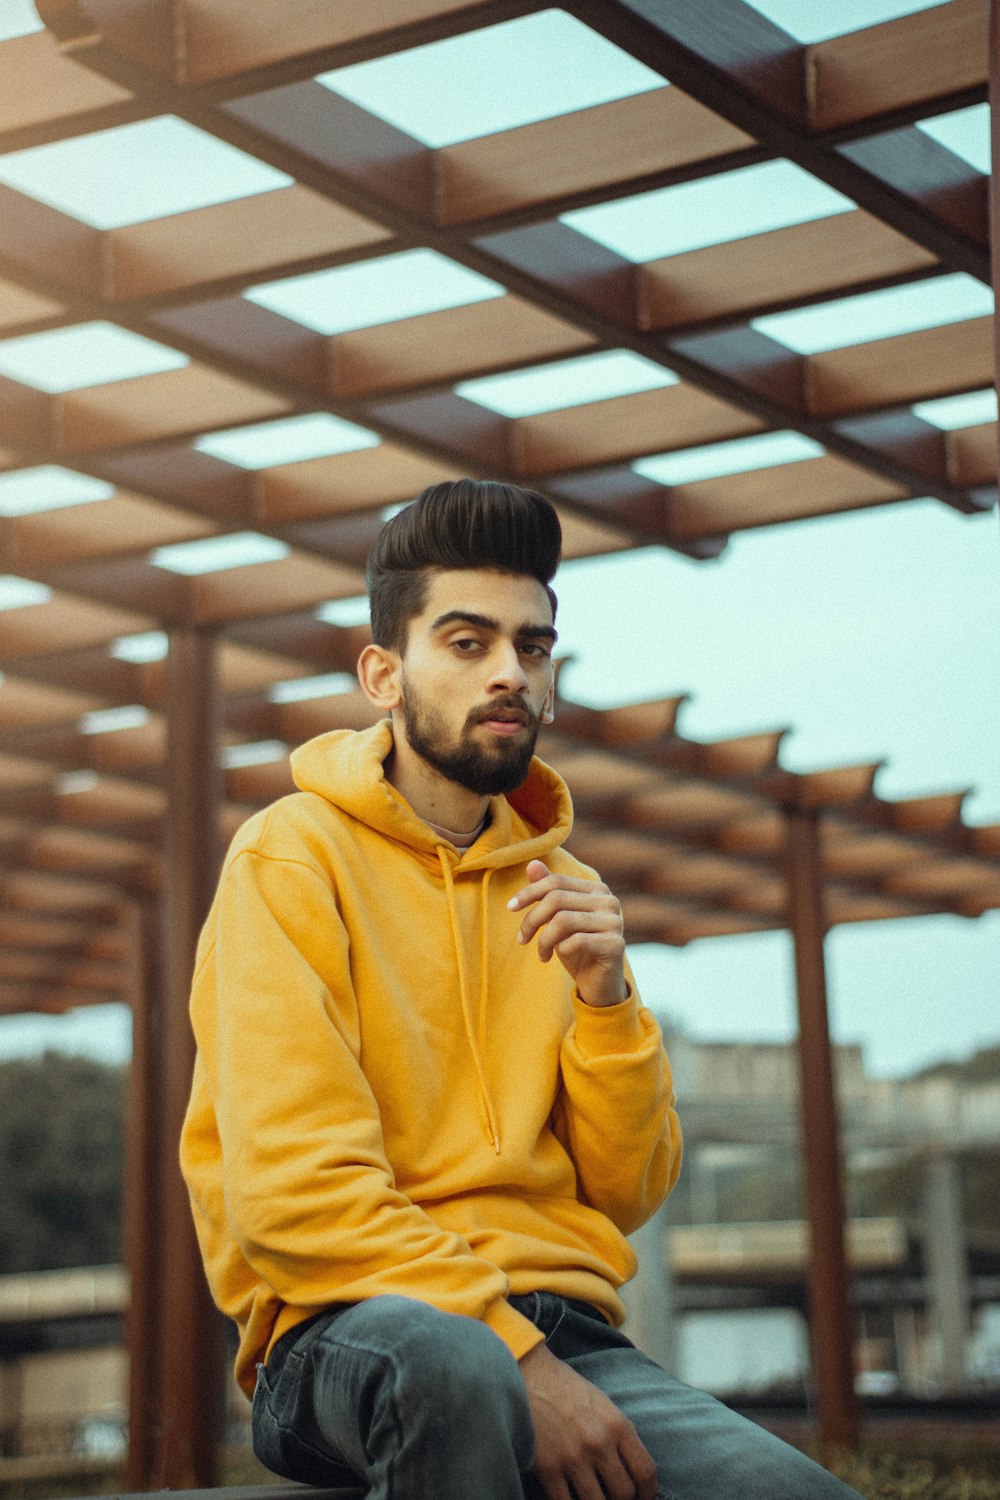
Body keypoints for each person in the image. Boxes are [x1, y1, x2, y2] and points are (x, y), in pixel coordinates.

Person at [181, 479, 861, 1500]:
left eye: (532, 647)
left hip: (568, 1329)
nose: (509, 673)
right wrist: (514, 1361)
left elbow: (624, 1191)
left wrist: (606, 1001)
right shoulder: (290, 857)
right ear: (381, 672)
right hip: (346, 1329)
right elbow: (293, 1194)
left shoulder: (568, 894)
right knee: (449, 1368)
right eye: (466, 643)